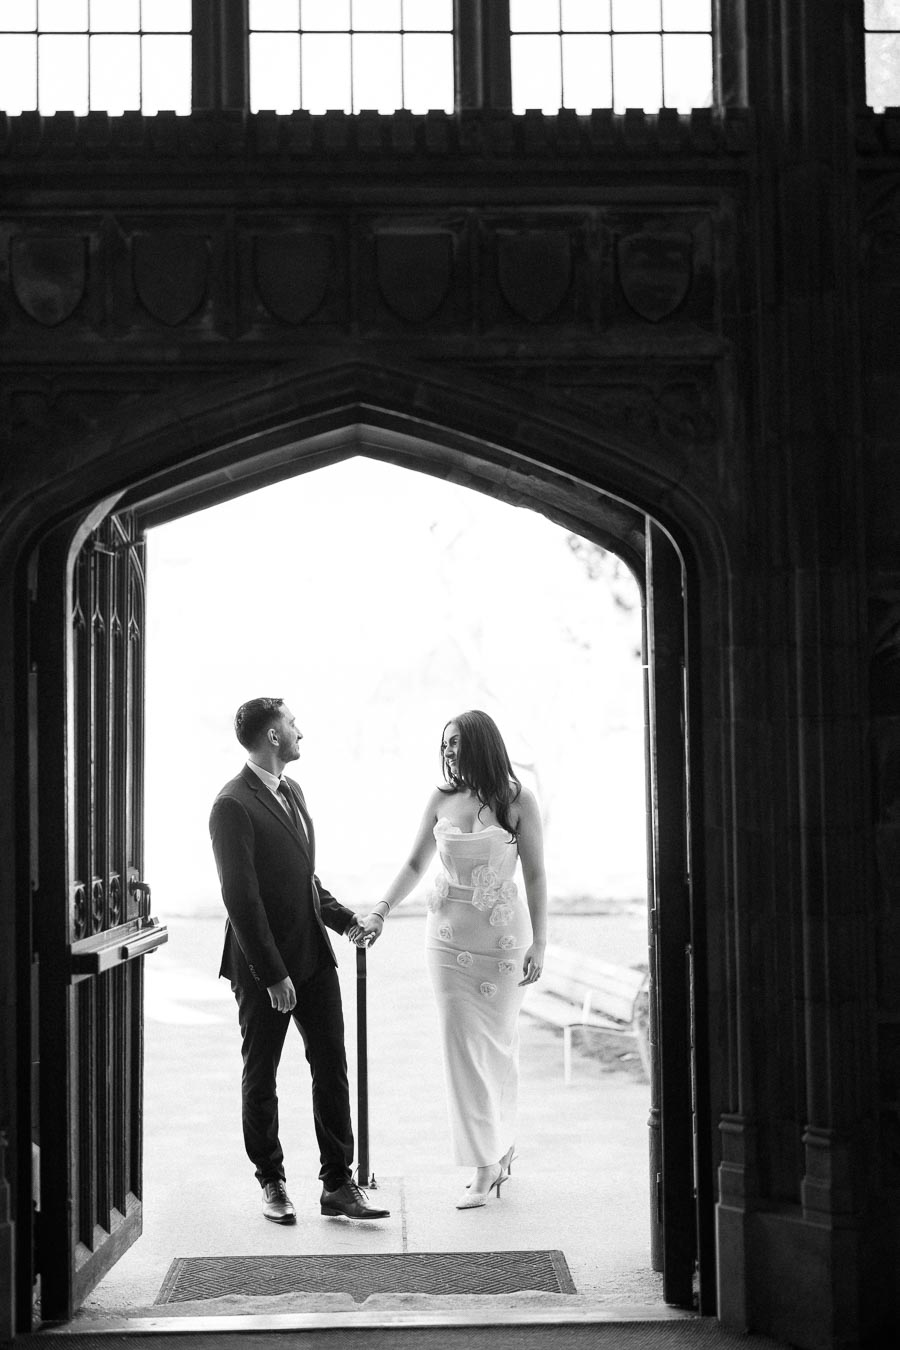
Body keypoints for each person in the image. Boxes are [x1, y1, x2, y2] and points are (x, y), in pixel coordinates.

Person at [209, 697, 389, 1224]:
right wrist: (273, 976)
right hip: (263, 968)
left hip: (313, 957)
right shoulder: (231, 805)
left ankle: (338, 1183)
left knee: (331, 1067)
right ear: (271, 736)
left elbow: (303, 880)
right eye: (292, 723)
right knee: (261, 1074)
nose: (299, 731)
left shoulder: (292, 790)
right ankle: (272, 1182)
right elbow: (241, 900)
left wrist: (345, 919)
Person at [358, 709, 547, 1208]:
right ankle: (484, 1163)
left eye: (456, 742)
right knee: (462, 1047)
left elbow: (536, 876)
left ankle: (503, 1148)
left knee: (499, 1047)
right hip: (446, 942)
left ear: (480, 744)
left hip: (504, 944)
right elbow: (416, 862)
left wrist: (541, 942)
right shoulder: (440, 800)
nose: (447, 751)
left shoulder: (518, 799)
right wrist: (381, 909)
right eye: (443, 743)